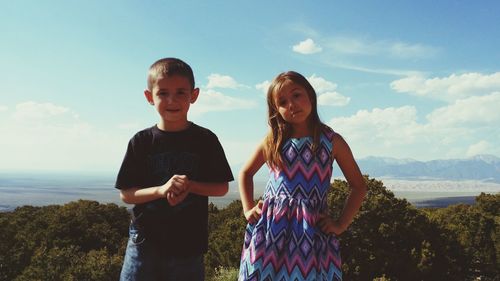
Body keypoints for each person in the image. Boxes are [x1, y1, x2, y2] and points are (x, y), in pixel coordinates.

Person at [238, 71, 367, 281]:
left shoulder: (332, 141)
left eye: (296, 95)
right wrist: (247, 208)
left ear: (310, 95)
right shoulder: (273, 140)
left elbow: (358, 186)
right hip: (271, 231)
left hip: (312, 232)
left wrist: (341, 224)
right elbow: (245, 173)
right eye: (282, 101)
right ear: (275, 110)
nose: (291, 104)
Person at [115, 57, 234, 281]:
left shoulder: (205, 140)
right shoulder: (141, 142)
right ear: (149, 97)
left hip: (188, 245)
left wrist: (189, 186)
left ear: (194, 95)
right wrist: (161, 190)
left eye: (181, 92)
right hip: (144, 242)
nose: (172, 100)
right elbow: (126, 194)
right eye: (163, 93)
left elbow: (221, 188)